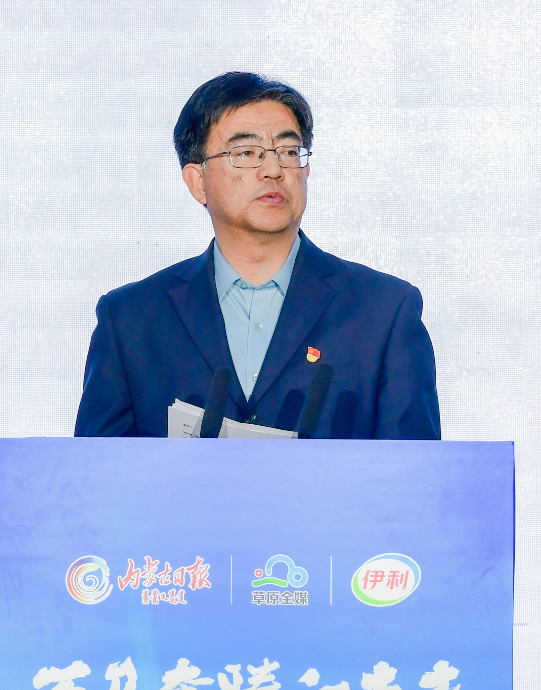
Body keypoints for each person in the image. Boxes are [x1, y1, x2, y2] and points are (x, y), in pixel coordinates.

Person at [74, 72, 440, 438]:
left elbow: (413, 468)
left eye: (289, 152)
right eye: (247, 153)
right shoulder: (131, 319)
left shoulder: (384, 312)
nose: (273, 170)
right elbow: (96, 467)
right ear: (198, 181)